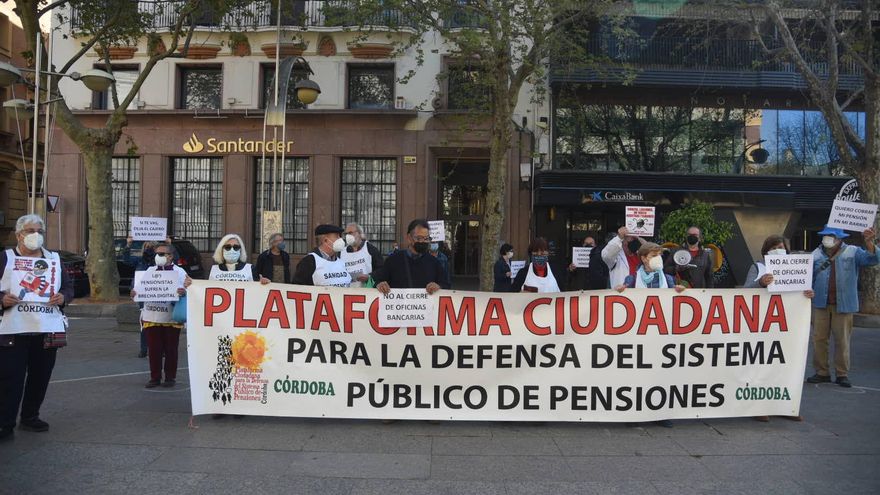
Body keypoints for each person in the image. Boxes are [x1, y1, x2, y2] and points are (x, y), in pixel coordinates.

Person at [0, 214, 74, 440]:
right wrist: (1, 299)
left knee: (41, 375)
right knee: (9, 378)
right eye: (30, 231)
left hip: (46, 329)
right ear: (19, 234)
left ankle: (31, 416)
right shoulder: (5, 258)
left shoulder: (54, 259)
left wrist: (63, 298)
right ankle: (5, 423)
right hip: (13, 330)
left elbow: (69, 288)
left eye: (39, 231)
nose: (35, 235)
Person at [744, 234, 814, 422]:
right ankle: (758, 407)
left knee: (787, 366)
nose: (778, 249)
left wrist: (807, 293)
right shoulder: (757, 267)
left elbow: (800, 292)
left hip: (787, 326)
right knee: (761, 364)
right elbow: (744, 291)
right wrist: (760, 283)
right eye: (774, 247)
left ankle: (786, 406)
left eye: (781, 246)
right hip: (762, 324)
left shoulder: (794, 268)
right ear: (766, 250)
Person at [615, 242, 685, 428]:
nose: (658, 258)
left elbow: (677, 298)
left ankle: (661, 413)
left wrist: (678, 292)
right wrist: (620, 290)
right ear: (644, 258)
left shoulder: (668, 279)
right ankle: (635, 413)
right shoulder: (633, 278)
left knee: (660, 375)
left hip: (661, 336)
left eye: (659, 255)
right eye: (654, 255)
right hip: (639, 336)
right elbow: (621, 294)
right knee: (638, 375)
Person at [807, 225, 877, 388]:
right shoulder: (815, 254)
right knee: (819, 339)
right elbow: (807, 277)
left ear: (840, 238)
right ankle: (821, 372)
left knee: (842, 340)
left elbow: (872, 259)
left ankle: (842, 373)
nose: (827, 238)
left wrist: (869, 242)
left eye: (831, 235)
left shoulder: (852, 251)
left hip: (844, 304)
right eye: (826, 235)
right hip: (820, 303)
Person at [130, 243, 189, 388]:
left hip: (171, 317)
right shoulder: (149, 271)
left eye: (162, 254)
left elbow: (189, 288)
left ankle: (170, 377)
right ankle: (154, 377)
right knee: (154, 349)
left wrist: (184, 291)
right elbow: (138, 289)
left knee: (171, 349)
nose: (158, 256)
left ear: (170, 256)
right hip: (152, 315)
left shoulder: (180, 272)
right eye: (157, 253)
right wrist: (134, 293)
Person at [373, 219, 450, 295]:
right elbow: (378, 281)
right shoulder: (392, 260)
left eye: (426, 238)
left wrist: (439, 286)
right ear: (409, 238)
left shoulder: (434, 262)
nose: (423, 241)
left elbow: (446, 285)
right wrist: (380, 284)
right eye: (419, 238)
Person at [206, 234, 270, 284]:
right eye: (228, 247)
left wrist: (263, 282)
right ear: (221, 250)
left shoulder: (251, 269)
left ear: (240, 250)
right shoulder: (213, 270)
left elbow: (258, 289)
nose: (232, 250)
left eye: (236, 247)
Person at [341, 223, 384, 288]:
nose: (348, 236)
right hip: (346, 292)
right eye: (346, 234)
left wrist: (369, 277)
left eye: (350, 233)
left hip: (366, 291)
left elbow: (381, 269)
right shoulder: (342, 252)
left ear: (360, 234)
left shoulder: (371, 249)